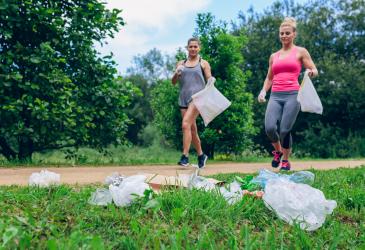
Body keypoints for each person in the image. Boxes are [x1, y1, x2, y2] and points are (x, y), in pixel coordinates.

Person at [258, 17, 318, 170]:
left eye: (287, 33)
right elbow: (269, 77)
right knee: (270, 128)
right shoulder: (274, 56)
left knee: (285, 130)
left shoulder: (301, 51)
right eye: (281, 33)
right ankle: (277, 151)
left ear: (294, 34)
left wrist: (311, 72)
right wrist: (263, 91)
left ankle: (285, 159)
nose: (284, 36)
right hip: (276, 95)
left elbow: (314, 69)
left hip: (293, 95)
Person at [171, 37, 211, 168]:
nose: (193, 49)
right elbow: (173, 82)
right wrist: (176, 73)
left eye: (195, 47)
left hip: (198, 98)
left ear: (199, 48)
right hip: (183, 99)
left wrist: (212, 80)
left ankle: (185, 156)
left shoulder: (203, 63)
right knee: (191, 129)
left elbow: (209, 80)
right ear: (187, 48)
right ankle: (201, 155)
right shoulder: (180, 63)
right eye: (190, 47)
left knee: (185, 124)